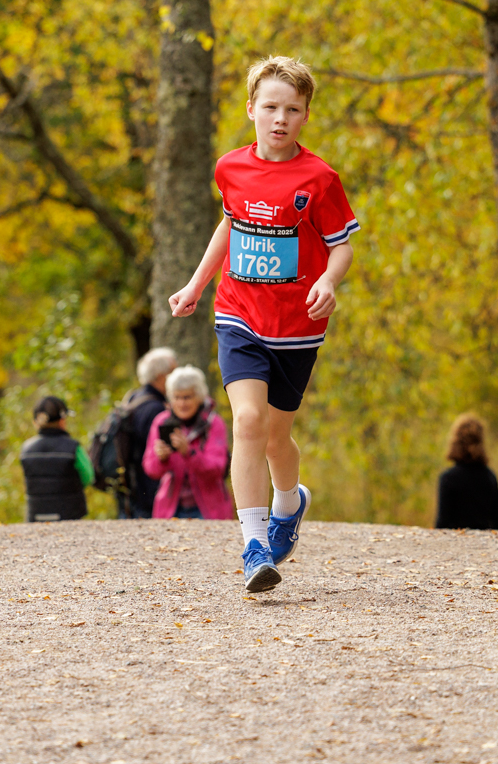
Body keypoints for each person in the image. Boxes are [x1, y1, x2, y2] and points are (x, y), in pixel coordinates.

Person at [169, 56, 359, 592]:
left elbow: (341, 247)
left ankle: (289, 504)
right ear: (251, 108)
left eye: (293, 110)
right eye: (271, 107)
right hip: (239, 315)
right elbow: (229, 225)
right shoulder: (230, 168)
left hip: (297, 325)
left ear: (305, 116)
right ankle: (254, 546)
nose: (280, 118)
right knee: (248, 422)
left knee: (277, 439)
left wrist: (329, 281)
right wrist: (197, 284)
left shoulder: (319, 179)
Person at [142, 365, 233, 519]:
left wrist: (189, 453)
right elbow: (151, 469)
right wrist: (161, 458)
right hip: (171, 508)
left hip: (210, 510)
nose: (182, 403)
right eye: (177, 397)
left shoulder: (213, 423)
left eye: (187, 397)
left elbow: (218, 468)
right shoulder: (162, 422)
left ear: (199, 397)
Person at [118, 348, 176, 518]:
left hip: (130, 486)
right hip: (146, 491)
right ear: (161, 376)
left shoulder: (134, 398)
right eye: (173, 372)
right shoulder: (156, 409)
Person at [21, 395, 93, 522]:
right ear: (62, 420)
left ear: (36, 422)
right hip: (70, 514)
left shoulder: (26, 449)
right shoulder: (73, 447)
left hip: (35, 515)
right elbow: (88, 477)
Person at [434, 413, 498, 530]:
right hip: (485, 540)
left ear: (455, 441)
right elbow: (497, 524)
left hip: (453, 540)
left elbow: (442, 524)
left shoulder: (448, 478)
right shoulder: (490, 477)